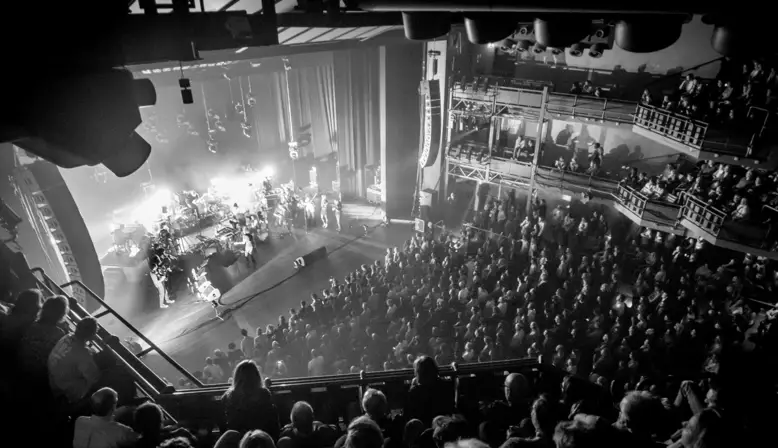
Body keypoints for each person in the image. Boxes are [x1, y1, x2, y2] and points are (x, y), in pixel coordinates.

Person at [48, 316, 101, 408]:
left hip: (50, 375)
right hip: (60, 387)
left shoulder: (67, 337)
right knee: (90, 383)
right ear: (92, 335)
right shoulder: (83, 354)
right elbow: (94, 377)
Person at [18, 295, 69, 387]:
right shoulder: (59, 335)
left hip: (20, 363)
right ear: (61, 314)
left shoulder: (31, 323)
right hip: (38, 374)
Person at [221, 360, 279, 438]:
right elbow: (272, 422)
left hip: (237, 440)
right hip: (262, 438)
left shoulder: (228, 396)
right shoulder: (263, 394)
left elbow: (224, 424)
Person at [73, 387, 139, 448]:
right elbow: (139, 438)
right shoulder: (120, 431)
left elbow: (102, 423)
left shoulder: (80, 421)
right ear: (113, 407)